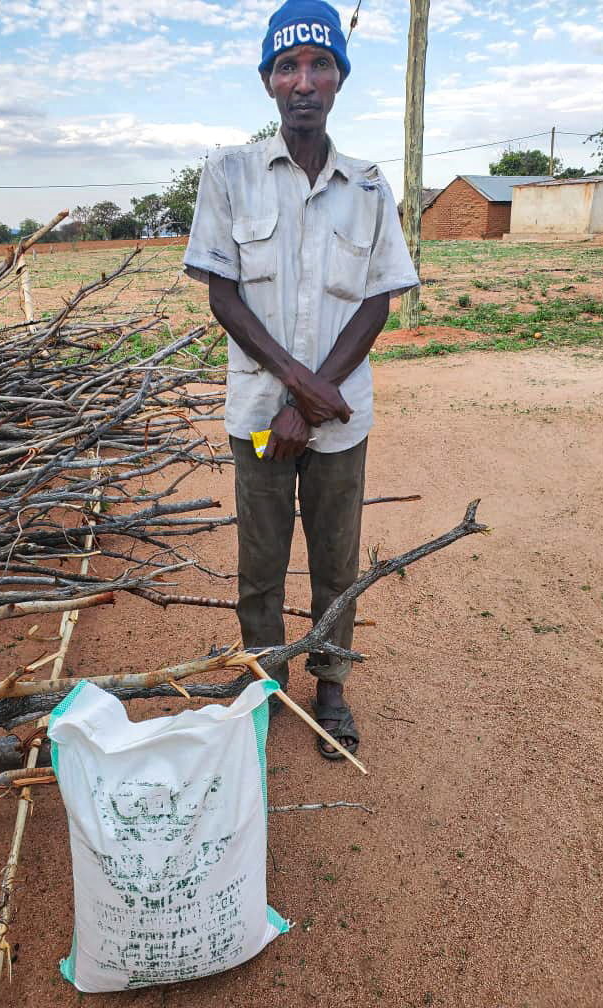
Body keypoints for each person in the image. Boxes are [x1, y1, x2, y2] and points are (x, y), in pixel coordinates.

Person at [184, 0, 419, 760]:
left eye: (320, 65)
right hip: (259, 411)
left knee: (335, 559)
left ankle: (331, 686)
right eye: (289, 67)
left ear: (339, 80)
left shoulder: (371, 187)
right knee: (259, 556)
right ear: (268, 82)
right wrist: (297, 391)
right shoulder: (229, 174)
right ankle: (262, 680)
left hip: (340, 420)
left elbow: (379, 300)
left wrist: (317, 403)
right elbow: (224, 295)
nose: (304, 81)